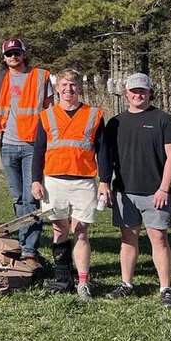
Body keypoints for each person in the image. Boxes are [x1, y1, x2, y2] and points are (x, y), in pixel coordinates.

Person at [103, 73, 171, 308]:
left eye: (143, 91)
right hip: (125, 192)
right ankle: (126, 283)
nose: (138, 94)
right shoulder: (115, 122)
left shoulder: (163, 120)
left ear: (150, 93)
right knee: (128, 238)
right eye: (134, 91)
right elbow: (107, 157)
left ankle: (166, 288)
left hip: (155, 192)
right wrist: (106, 183)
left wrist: (164, 188)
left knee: (159, 238)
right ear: (126, 93)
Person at [30, 70, 109, 299]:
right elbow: (39, 150)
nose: (68, 89)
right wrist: (36, 179)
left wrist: (104, 181)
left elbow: (103, 150)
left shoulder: (93, 114)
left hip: (83, 181)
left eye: (73, 85)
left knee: (81, 231)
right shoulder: (47, 115)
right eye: (64, 85)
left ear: (80, 87)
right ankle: (62, 278)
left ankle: (83, 282)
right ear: (57, 88)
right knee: (59, 230)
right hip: (54, 181)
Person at [0, 36, 53, 269]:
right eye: (9, 54)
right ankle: (24, 241)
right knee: (18, 198)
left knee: (32, 197)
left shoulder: (41, 76)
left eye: (17, 53)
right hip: (7, 144)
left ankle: (29, 250)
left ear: (25, 54)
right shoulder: (0, 77)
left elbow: (49, 109)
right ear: (4, 57)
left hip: (32, 145)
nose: (13, 57)